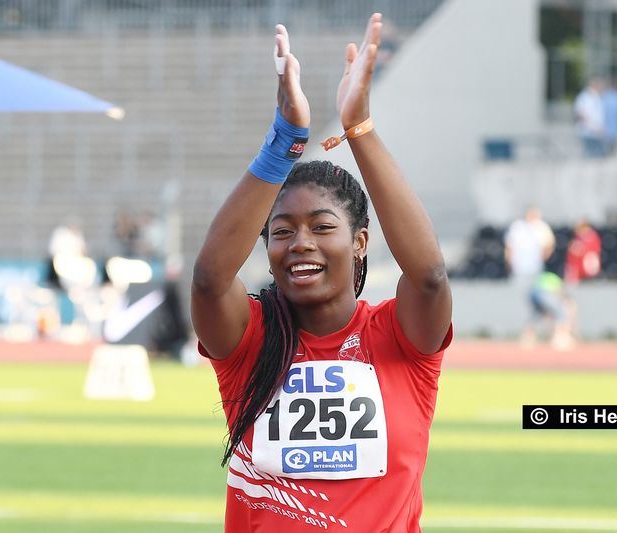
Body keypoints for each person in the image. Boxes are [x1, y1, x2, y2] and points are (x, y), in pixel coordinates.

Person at [191, 14, 452, 532]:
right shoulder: (250, 339)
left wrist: (359, 128)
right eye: (282, 231)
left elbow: (429, 278)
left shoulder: (398, 338)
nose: (300, 243)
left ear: (359, 243)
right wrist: (285, 140)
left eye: (321, 227)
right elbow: (209, 282)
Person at [504, 207, 555, 346]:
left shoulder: (541, 227)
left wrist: (543, 257)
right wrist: (510, 263)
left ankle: (531, 333)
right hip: (520, 270)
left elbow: (550, 244)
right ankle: (531, 333)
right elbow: (509, 247)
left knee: (537, 301)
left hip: (535, 270)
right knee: (529, 302)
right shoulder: (518, 227)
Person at [563, 219, 602, 340]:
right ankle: (571, 329)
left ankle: (572, 330)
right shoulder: (579, 240)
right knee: (569, 303)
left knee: (570, 304)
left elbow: (589, 260)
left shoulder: (589, 239)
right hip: (575, 277)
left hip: (582, 276)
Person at [528, 271, 575, 351]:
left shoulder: (546, 275)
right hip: (543, 293)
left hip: (533, 293)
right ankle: (559, 338)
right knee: (560, 312)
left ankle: (528, 338)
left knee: (537, 314)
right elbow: (561, 294)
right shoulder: (557, 280)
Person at [574, 78, 606, 158]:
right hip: (588, 131)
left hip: (596, 132)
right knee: (591, 155)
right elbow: (581, 113)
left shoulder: (597, 97)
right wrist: (592, 126)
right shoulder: (584, 97)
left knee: (596, 155)